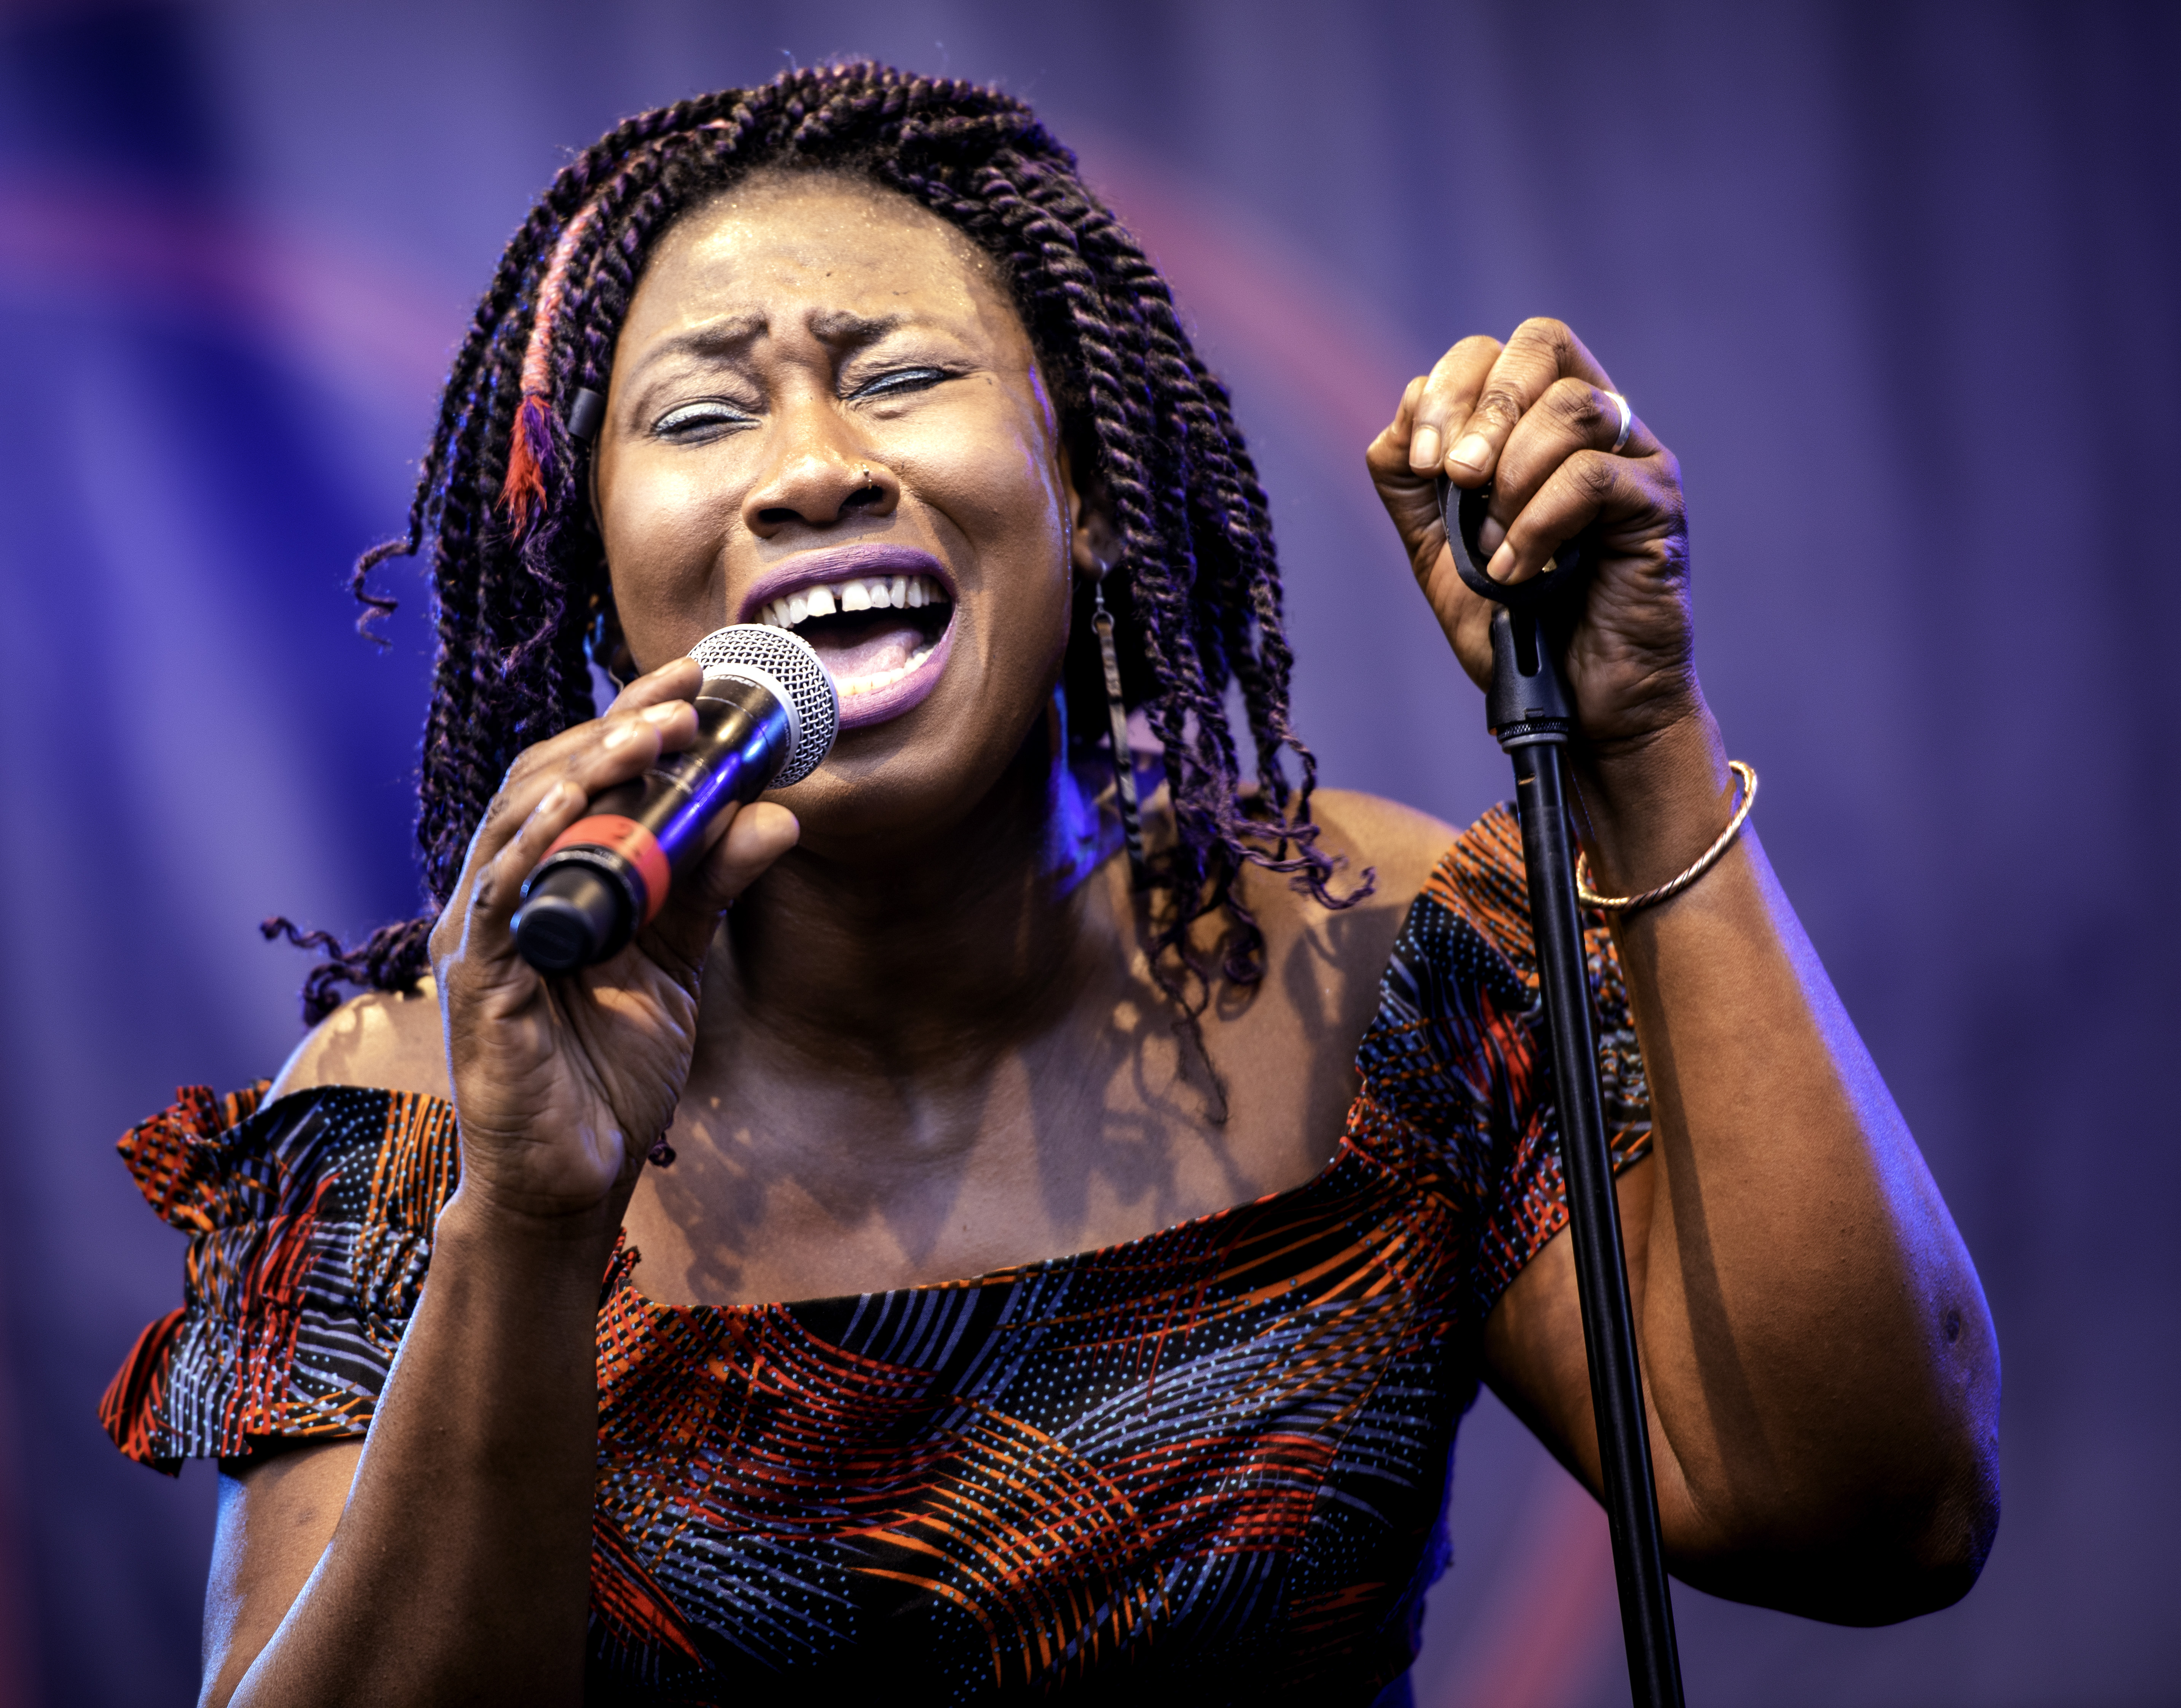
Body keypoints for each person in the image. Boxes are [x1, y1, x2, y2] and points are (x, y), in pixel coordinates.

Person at [100, 62, 1998, 1707]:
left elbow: (1872, 1510)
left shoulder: (1372, 963)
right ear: (599, 572)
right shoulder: (423, 1103)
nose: (809, 468)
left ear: (1081, 487)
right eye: (699, 418)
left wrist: (1636, 737)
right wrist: (521, 1218)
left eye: (898, 375)